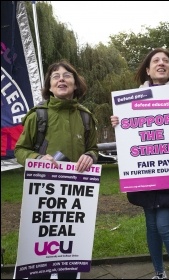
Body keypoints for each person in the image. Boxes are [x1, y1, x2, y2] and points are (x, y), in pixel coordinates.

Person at [14, 60, 98, 279]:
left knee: (69, 262)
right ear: (49, 87)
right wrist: (38, 158)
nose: (61, 78)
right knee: (38, 264)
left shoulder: (86, 117)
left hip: (74, 201)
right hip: (43, 198)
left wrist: (90, 156)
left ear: (76, 85)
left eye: (67, 75)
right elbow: (20, 150)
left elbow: (93, 149)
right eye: (55, 76)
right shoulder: (38, 115)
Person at [111, 48, 169, 279]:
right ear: (147, 69)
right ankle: (159, 273)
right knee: (152, 227)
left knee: (164, 225)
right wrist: (119, 121)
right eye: (156, 60)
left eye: (166, 61)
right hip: (146, 176)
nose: (161, 63)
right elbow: (131, 134)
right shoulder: (131, 99)